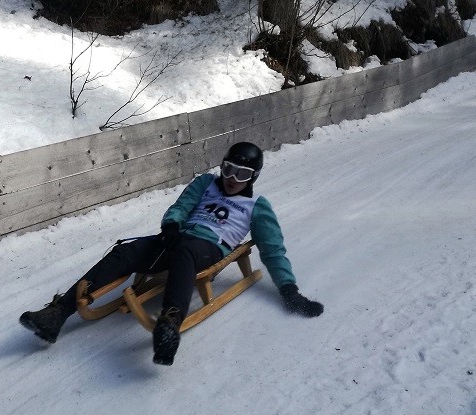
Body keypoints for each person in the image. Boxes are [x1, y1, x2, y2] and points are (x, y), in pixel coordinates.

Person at [19, 142, 323, 365]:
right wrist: (172, 224)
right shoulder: (206, 183)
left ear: (253, 177)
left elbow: (273, 250)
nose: (232, 178)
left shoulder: (258, 207)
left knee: (186, 251)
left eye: (242, 174)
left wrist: (289, 289)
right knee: (127, 251)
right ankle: (58, 313)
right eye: (229, 169)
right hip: (177, 239)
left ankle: (169, 324)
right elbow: (182, 205)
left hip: (207, 248)